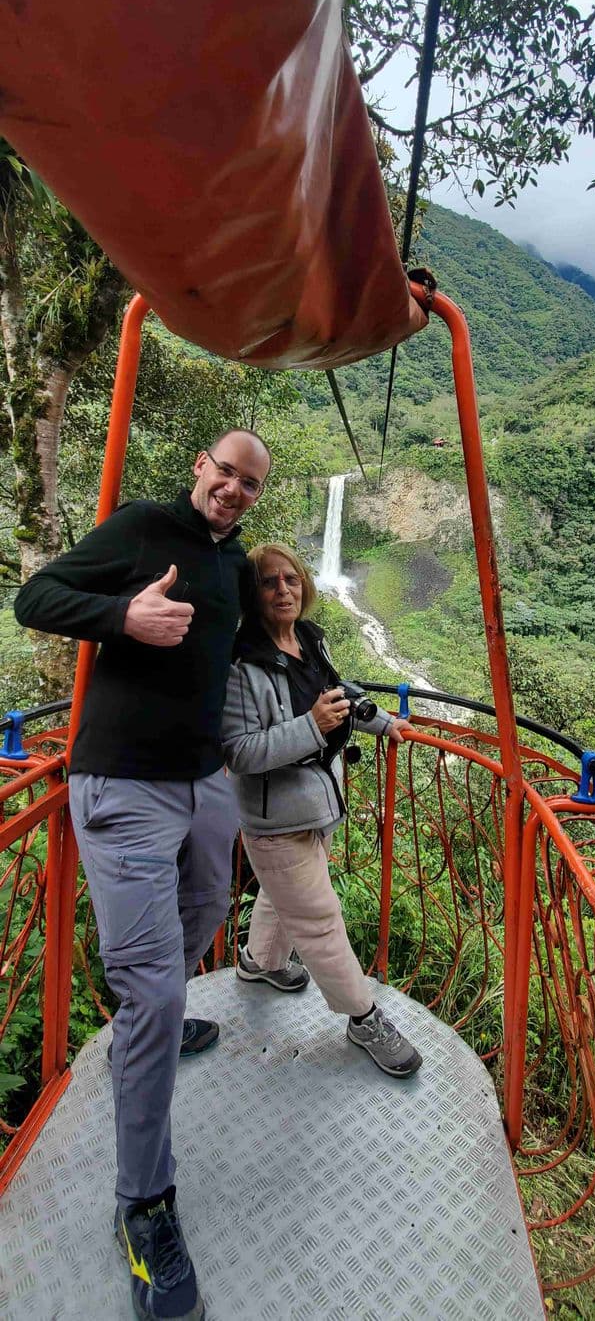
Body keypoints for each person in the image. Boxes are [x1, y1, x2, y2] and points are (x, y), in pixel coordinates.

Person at [14, 429, 271, 1321]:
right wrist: (123, 617)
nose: (232, 490)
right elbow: (34, 597)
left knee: (206, 905)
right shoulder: (140, 528)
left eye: (249, 484)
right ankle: (144, 1206)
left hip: (204, 781)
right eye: (224, 473)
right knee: (157, 995)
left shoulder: (233, 565)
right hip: (122, 780)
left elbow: (251, 651)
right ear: (201, 466)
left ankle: (150, 1015)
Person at [221, 543, 423, 1079]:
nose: (283, 589)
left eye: (291, 578)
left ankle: (259, 963)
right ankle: (363, 1017)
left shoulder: (309, 639)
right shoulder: (242, 665)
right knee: (318, 919)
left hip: (318, 801)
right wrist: (311, 726)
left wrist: (382, 722)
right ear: (253, 594)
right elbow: (238, 751)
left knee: (280, 891)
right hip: (275, 820)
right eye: (269, 582)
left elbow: (337, 694)